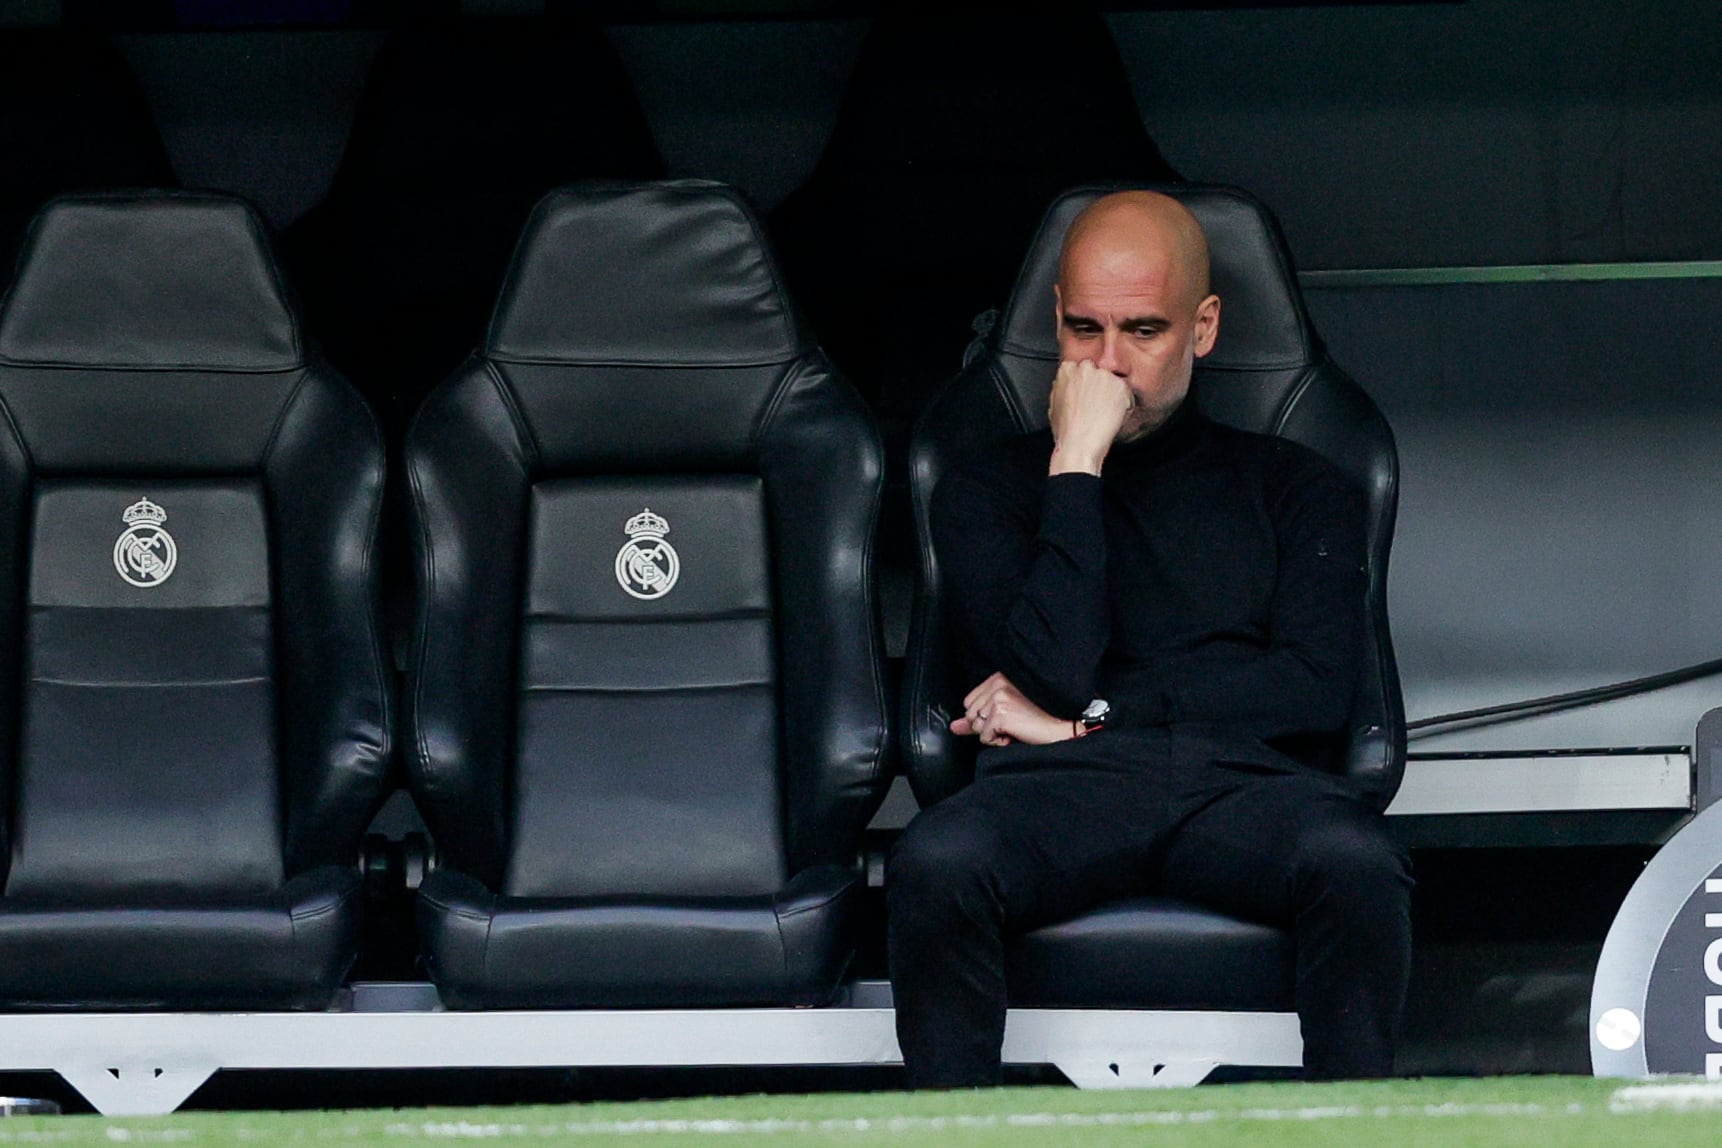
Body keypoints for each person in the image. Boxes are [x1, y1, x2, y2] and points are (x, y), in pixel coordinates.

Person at [886, 190, 1413, 1088]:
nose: (1107, 364)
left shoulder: (1300, 487)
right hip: (1055, 792)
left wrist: (1086, 720)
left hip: (1241, 785)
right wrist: (1077, 465)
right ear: (1053, 317)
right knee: (936, 864)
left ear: (1203, 329)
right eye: (1084, 329)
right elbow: (1047, 670)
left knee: (1360, 866)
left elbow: (1316, 687)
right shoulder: (984, 491)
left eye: (1143, 331)